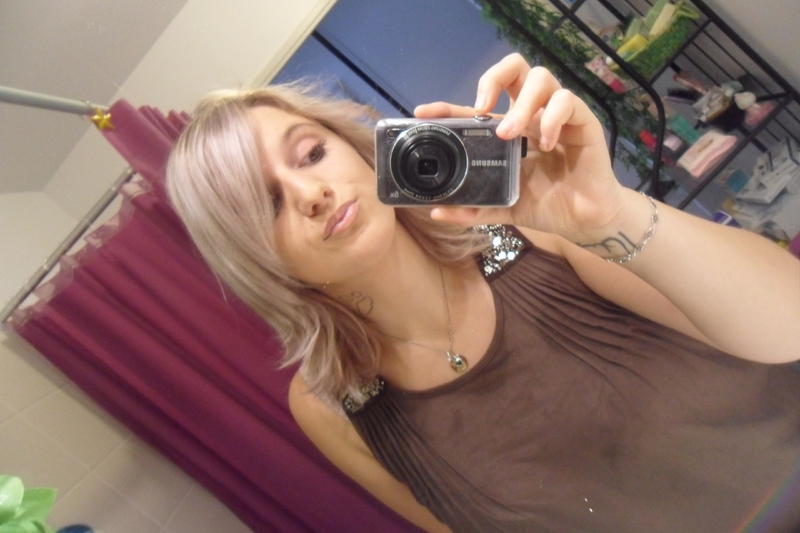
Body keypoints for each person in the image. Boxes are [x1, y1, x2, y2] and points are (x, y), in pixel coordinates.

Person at [166, 53, 800, 532]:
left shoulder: (537, 234)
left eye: (310, 155)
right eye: (267, 203)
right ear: (252, 256)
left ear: (358, 151)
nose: (311, 193)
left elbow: (791, 322)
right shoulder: (329, 406)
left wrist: (612, 215)